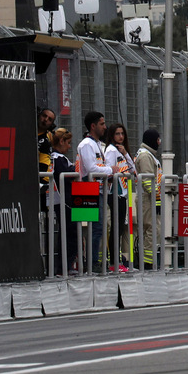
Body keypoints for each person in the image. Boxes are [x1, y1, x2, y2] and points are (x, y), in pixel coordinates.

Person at [76, 111, 113, 268]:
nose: (105, 127)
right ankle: (91, 263)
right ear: (93, 126)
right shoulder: (86, 144)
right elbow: (91, 168)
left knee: (98, 227)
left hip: (96, 189)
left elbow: (98, 167)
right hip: (86, 187)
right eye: (102, 124)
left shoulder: (96, 144)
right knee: (93, 228)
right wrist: (112, 170)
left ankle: (93, 261)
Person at [103, 123, 137, 271]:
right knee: (115, 228)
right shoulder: (111, 150)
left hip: (122, 193)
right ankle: (114, 262)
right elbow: (110, 172)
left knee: (119, 228)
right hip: (114, 193)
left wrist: (126, 154)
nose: (121, 137)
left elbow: (133, 170)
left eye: (122, 133)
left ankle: (117, 262)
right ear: (112, 135)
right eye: (117, 134)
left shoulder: (120, 151)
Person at [49, 129, 80, 275]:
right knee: (70, 233)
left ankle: (67, 265)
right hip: (66, 201)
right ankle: (65, 266)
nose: (69, 147)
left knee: (70, 233)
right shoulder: (58, 159)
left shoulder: (56, 158)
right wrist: (76, 168)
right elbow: (66, 175)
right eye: (68, 143)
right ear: (61, 142)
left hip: (65, 200)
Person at [134, 128, 162, 270]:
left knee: (152, 230)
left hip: (149, 198)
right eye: (158, 139)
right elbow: (147, 180)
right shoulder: (145, 156)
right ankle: (148, 263)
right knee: (151, 229)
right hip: (147, 198)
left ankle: (148, 261)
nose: (159, 142)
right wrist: (157, 199)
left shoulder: (148, 154)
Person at [37, 107, 56, 207]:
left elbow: (43, 168)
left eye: (49, 119)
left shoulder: (45, 142)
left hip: (36, 186)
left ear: (51, 124)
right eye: (44, 116)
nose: (45, 120)